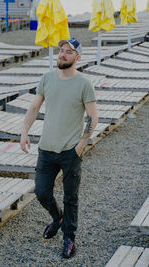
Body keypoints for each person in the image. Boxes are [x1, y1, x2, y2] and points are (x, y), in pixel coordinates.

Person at [20, 38, 98, 258]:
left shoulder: (84, 83)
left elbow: (93, 117)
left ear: (77, 57)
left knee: (70, 197)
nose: (62, 54)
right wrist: (24, 133)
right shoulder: (47, 78)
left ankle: (69, 237)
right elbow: (35, 107)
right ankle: (58, 218)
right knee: (41, 192)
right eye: (61, 50)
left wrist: (81, 144)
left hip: (70, 151)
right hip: (47, 149)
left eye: (68, 52)